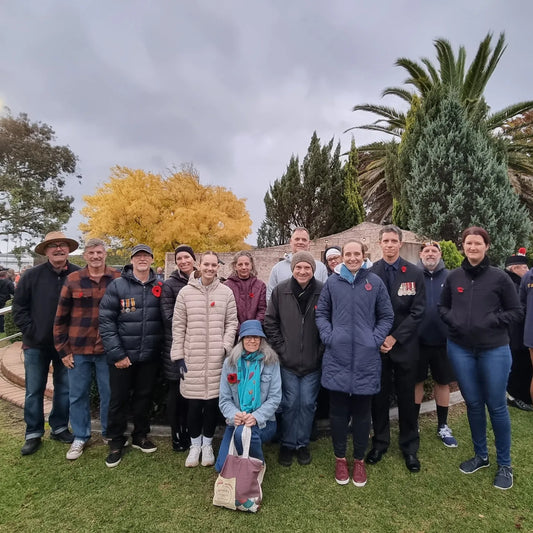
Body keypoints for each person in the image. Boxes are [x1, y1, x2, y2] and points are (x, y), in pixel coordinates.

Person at [439, 227, 521, 490]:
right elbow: (442, 307)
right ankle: (481, 456)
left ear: (487, 246)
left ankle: (505, 465)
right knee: (473, 403)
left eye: (477, 243)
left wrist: (491, 321)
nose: (472, 247)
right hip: (461, 349)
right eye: (468, 243)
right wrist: (454, 320)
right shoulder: (454, 277)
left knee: (496, 405)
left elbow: (516, 312)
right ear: (462, 246)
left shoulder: (500, 278)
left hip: (494, 349)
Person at [316, 240, 393, 486]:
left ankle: (358, 461)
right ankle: (341, 459)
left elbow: (386, 315)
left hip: (366, 359)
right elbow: (321, 313)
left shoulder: (375, 282)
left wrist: (374, 339)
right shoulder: (332, 283)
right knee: (338, 415)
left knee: (362, 415)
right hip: (336, 358)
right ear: (341, 258)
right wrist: (329, 336)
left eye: (355, 253)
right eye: (347, 254)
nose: (351, 258)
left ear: (363, 255)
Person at [12, 231, 80, 456]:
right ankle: (33, 433)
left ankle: (59, 427)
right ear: (46, 251)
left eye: (62, 245)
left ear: (68, 249)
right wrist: (33, 331)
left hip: (67, 346)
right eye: (53, 246)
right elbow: (19, 309)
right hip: (36, 345)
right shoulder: (32, 276)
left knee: (64, 388)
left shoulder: (78, 275)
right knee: (34, 390)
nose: (58, 249)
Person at [53, 238, 120, 460]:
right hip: (78, 349)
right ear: (85, 256)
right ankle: (81, 436)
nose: (95, 256)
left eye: (99, 252)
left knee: (108, 394)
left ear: (105, 254)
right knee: (77, 395)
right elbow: (60, 318)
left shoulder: (117, 279)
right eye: (91, 253)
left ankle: (109, 433)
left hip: (107, 350)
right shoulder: (73, 280)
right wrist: (63, 350)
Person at [171, 251, 238, 468]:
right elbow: (178, 326)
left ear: (218, 266)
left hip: (217, 359)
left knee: (211, 405)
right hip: (193, 357)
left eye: (213, 265)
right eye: (206, 264)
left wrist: (226, 346)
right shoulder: (185, 293)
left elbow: (232, 323)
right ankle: (194, 445)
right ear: (199, 265)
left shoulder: (226, 292)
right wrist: (179, 356)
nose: (210, 268)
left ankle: (207, 444)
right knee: (193, 404)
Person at [99, 244, 164, 468]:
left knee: (143, 398)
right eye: (139, 256)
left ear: (152, 260)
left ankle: (140, 436)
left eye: (146, 256)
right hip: (122, 357)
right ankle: (116, 442)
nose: (142, 259)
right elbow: (106, 322)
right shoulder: (118, 285)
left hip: (149, 357)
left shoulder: (160, 285)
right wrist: (117, 353)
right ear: (132, 260)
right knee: (118, 400)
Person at [367, 225, 425, 472]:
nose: (389, 245)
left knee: (406, 398)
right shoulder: (370, 273)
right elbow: (366, 311)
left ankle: (409, 447)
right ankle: (380, 443)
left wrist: (395, 338)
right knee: (378, 398)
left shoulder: (414, 272)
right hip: (378, 348)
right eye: (385, 241)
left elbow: (418, 311)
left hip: (405, 346)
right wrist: (380, 338)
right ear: (379, 244)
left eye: (393, 241)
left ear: (400, 244)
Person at [264, 251, 323, 466]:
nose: (302, 271)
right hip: (287, 362)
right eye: (299, 267)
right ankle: (288, 444)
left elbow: (329, 323)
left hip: (312, 363)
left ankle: (302, 443)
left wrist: (320, 352)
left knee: (307, 403)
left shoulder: (322, 291)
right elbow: (270, 322)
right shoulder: (281, 291)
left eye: (307, 267)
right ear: (292, 268)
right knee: (289, 403)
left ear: (313, 269)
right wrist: (281, 348)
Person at [215, 320, 282, 472]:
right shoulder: (230, 363)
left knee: (244, 435)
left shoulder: (271, 362)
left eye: (256, 337)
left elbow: (275, 398)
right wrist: (235, 415)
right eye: (248, 337)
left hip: (264, 422)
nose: (252, 340)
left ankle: (255, 470)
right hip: (237, 420)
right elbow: (224, 399)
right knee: (221, 467)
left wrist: (256, 416)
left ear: (262, 340)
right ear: (241, 339)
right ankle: (246, 463)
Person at [415, 241, 458, 446]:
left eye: (434, 251)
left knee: (443, 382)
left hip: (443, 342)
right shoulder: (413, 276)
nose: (430, 254)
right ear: (421, 254)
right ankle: (413, 423)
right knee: (417, 382)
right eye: (426, 251)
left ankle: (442, 425)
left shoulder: (450, 277)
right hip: (418, 341)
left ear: (440, 254)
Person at [160, 245, 196, 452]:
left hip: (196, 348)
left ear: (193, 259)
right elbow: (168, 317)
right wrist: (195, 327)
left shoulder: (201, 280)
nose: (183, 261)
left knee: (192, 394)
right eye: (179, 258)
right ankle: (176, 434)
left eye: (187, 257)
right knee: (176, 393)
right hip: (176, 346)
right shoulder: (170, 285)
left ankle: (191, 433)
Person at [505, 249, 533, 411]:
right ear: (515, 268)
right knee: (518, 367)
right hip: (516, 334)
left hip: (523, 332)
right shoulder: (512, 283)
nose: (527, 270)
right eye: (524, 267)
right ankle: (515, 396)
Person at [266, 227, 328, 300]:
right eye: (297, 239)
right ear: (291, 242)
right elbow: (270, 297)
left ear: (309, 243)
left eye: (304, 240)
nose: (300, 242)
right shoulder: (277, 269)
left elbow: (326, 296)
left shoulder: (321, 268)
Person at [224, 251, 267, 326]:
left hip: (255, 331)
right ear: (235, 266)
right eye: (240, 264)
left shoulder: (260, 286)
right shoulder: (227, 286)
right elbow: (228, 313)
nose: (244, 267)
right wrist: (241, 330)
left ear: (251, 265)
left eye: (247, 264)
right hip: (234, 332)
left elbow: (262, 310)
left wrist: (252, 328)